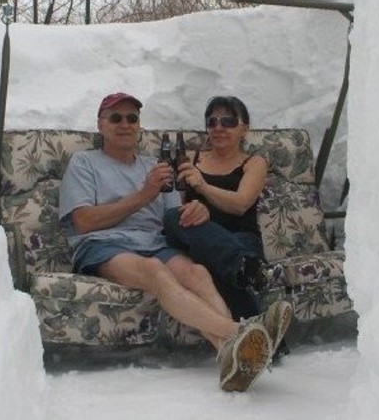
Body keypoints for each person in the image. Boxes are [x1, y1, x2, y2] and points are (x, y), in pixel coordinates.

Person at [58, 92, 286, 392]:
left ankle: (230, 356)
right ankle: (241, 331)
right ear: (101, 125)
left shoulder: (155, 166)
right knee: (155, 271)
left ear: (139, 125)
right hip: (104, 244)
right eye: (116, 118)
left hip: (155, 242)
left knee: (198, 273)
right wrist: (144, 195)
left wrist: (199, 209)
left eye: (132, 118)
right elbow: (84, 221)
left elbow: (174, 217)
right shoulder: (84, 162)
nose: (125, 124)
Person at [163, 95, 291, 356]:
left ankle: (259, 342)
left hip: (239, 237)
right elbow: (175, 204)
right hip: (201, 237)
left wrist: (202, 187)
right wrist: (194, 206)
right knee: (173, 217)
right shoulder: (190, 158)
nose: (219, 127)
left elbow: (241, 204)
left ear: (245, 127)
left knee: (218, 267)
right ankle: (245, 268)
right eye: (212, 122)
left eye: (228, 121)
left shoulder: (254, 162)